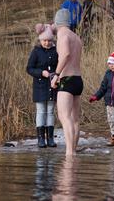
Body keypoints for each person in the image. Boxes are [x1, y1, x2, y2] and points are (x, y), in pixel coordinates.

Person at [51, 9, 84, 156]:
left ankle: (69, 153)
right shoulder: (76, 37)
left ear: (58, 22)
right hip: (78, 80)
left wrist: (56, 75)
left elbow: (65, 55)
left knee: (64, 117)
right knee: (75, 119)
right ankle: (74, 150)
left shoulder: (62, 35)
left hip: (67, 80)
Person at [26, 23, 58, 148]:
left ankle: (50, 138)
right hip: (39, 86)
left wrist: (56, 74)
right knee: (41, 111)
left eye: (49, 40)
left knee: (50, 111)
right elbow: (29, 68)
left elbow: (60, 65)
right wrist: (41, 72)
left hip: (52, 85)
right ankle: (40, 139)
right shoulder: (36, 51)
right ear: (40, 40)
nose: (47, 43)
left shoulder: (56, 51)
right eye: (44, 40)